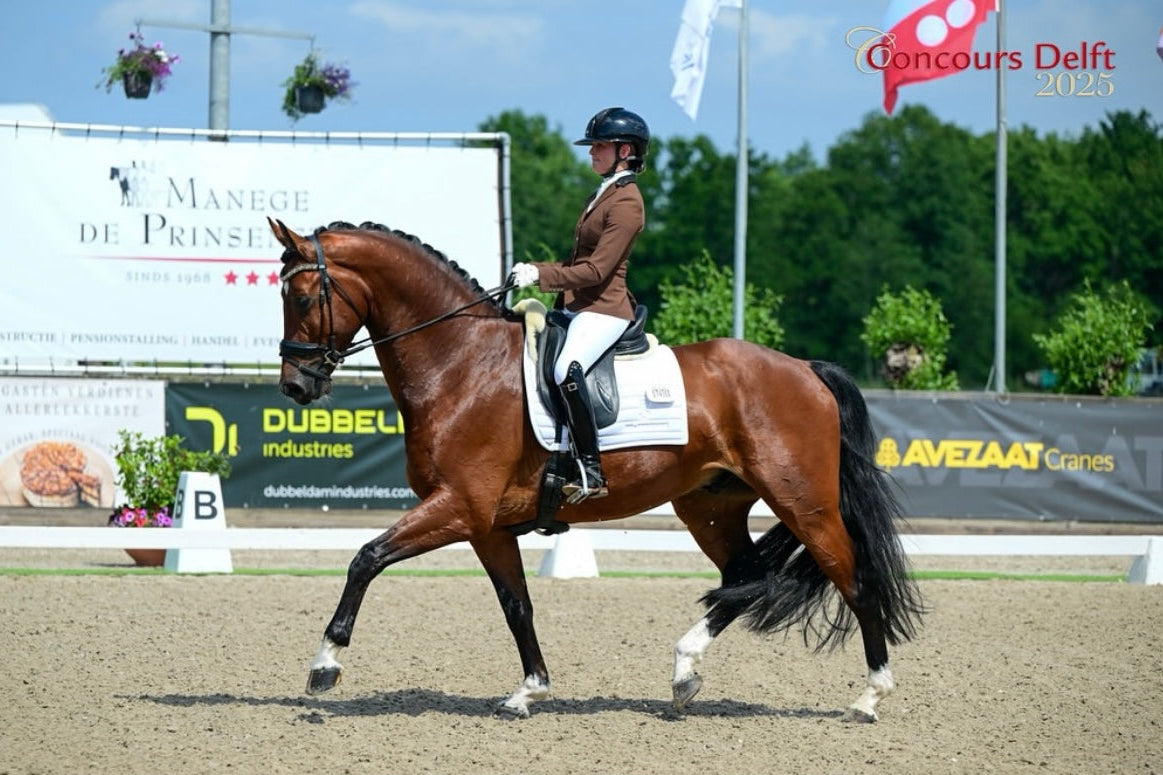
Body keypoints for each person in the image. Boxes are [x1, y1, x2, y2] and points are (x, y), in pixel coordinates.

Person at [510, 106, 649, 503]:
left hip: (604, 309)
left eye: (599, 147)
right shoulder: (603, 193)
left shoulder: (627, 203)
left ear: (625, 151)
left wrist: (541, 274)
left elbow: (595, 270)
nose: (592, 153)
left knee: (564, 368)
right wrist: (538, 274)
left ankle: (590, 469)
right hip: (577, 306)